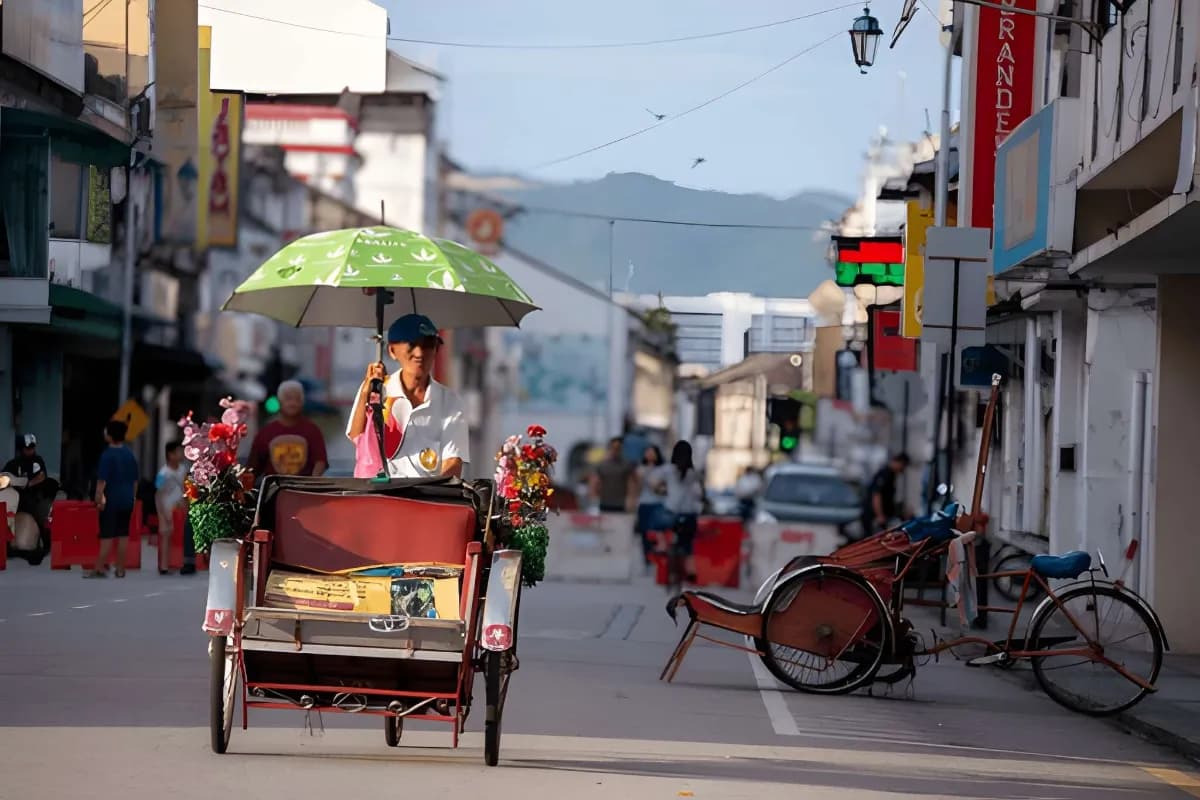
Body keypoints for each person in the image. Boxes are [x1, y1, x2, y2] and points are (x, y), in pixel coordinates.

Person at [345, 314, 469, 479]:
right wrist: (366, 393)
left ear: (436, 350)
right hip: (376, 495)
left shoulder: (451, 402)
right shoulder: (377, 389)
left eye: (428, 345)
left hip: (424, 498)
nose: (419, 353)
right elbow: (356, 436)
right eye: (411, 345)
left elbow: (453, 462)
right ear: (392, 351)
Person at [89, 420, 139, 579]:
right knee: (123, 534)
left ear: (110, 435)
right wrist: (133, 497)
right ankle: (120, 568)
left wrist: (98, 498)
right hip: (127, 498)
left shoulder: (107, 455)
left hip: (112, 499)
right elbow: (135, 480)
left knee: (107, 534)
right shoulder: (129, 454)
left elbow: (102, 480)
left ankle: (99, 568)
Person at [248, 380, 328, 478]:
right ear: (280, 401)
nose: (293, 403)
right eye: (288, 399)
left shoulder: (312, 430)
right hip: (274, 490)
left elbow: (320, 462)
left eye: (297, 399)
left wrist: (313, 482)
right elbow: (253, 468)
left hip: (303, 489)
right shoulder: (266, 432)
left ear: (302, 402)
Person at [651, 441, 704, 582]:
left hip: (671, 513)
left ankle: (662, 544)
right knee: (687, 545)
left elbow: (654, 484)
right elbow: (700, 492)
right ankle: (691, 570)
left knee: (655, 519)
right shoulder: (694, 473)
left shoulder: (668, 470)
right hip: (690, 515)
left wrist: (662, 491)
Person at [155, 441, 193, 575]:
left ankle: (183, 561)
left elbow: (186, 489)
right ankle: (164, 566)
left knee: (183, 535)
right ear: (170, 455)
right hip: (167, 506)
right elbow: (158, 493)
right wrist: (161, 513)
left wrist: (188, 505)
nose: (181, 454)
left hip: (181, 506)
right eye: (178, 452)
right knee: (166, 534)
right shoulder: (163, 472)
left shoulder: (183, 469)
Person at [861, 452, 910, 537]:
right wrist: (880, 515)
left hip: (882, 516)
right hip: (874, 517)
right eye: (903, 466)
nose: (903, 470)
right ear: (898, 462)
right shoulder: (885, 474)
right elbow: (877, 495)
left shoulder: (892, 475)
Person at [633, 445, 666, 567]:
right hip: (644, 503)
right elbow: (636, 488)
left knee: (657, 532)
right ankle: (647, 558)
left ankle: (657, 557)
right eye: (648, 452)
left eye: (652, 452)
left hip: (658, 503)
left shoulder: (663, 469)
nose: (650, 455)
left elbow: (663, 488)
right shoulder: (640, 469)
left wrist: (656, 485)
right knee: (644, 532)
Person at [588, 437, 635, 513]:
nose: (616, 450)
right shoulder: (602, 464)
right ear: (610, 448)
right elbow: (594, 481)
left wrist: (631, 499)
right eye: (614, 447)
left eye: (618, 448)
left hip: (620, 503)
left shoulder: (626, 465)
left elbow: (631, 483)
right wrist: (593, 497)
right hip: (604, 502)